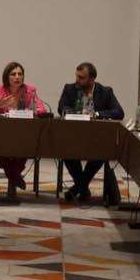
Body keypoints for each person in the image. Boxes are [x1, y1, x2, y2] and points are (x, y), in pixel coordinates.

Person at [58, 61, 125, 204]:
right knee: (66, 152)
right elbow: (61, 108)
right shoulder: (70, 89)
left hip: (96, 139)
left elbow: (119, 112)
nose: (77, 80)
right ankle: (82, 188)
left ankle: (78, 188)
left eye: (81, 77)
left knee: (101, 153)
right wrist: (75, 113)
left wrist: (97, 114)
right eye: (77, 76)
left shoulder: (105, 92)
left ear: (92, 79)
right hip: (74, 137)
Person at [0, 60, 48, 194]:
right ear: (7, 76)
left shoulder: (29, 90)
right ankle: (15, 176)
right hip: (1, 134)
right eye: (13, 74)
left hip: (23, 134)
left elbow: (42, 109)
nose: (17, 77)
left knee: (24, 147)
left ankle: (12, 178)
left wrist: (29, 111)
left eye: (20, 74)